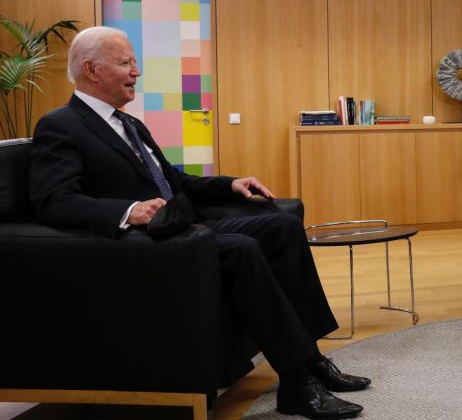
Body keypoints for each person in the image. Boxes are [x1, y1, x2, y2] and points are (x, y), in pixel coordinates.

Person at [29, 27, 369, 420]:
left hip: (183, 227)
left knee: (282, 225)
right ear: (91, 69)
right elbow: (53, 201)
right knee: (243, 248)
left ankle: (311, 358)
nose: (136, 72)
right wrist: (127, 211)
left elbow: (175, 181)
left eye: (134, 62)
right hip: (148, 244)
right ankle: (296, 380)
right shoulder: (60, 125)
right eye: (126, 62)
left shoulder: (131, 125)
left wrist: (230, 184)